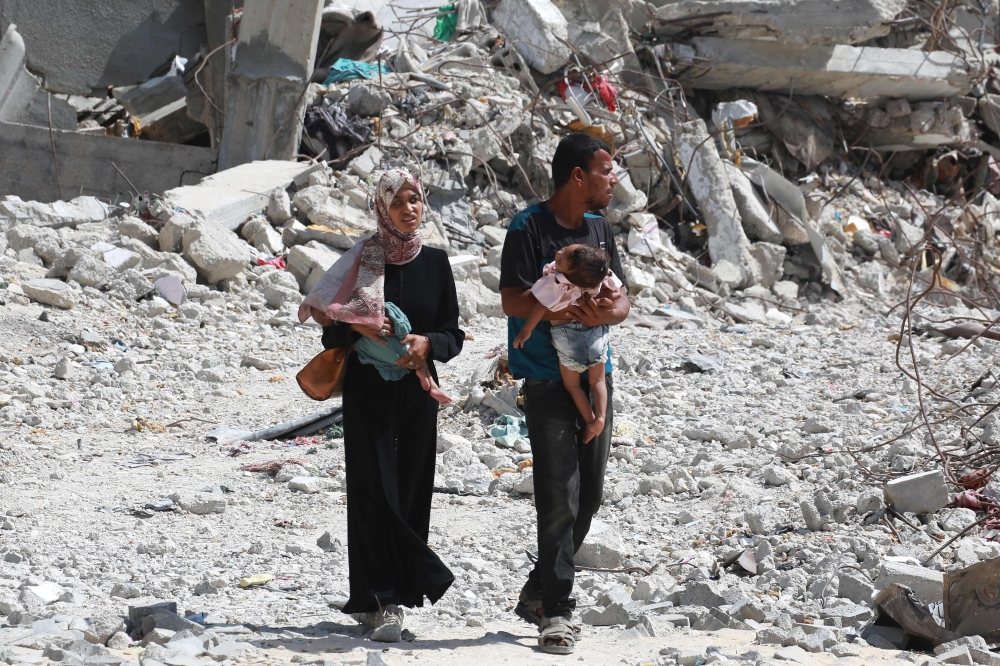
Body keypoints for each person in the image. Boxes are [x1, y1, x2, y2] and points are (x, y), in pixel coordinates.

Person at [298, 169, 464, 642]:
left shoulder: (435, 263)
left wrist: (427, 344)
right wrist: (360, 327)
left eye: (415, 200)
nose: (409, 209)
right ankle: (380, 599)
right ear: (381, 209)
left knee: (411, 487)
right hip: (368, 387)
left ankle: (404, 590)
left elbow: (454, 334)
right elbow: (331, 328)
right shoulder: (361, 261)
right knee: (372, 489)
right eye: (399, 203)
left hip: (416, 389)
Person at [499, 134, 630, 654]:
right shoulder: (528, 227)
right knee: (559, 497)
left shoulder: (601, 229)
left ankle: (538, 591)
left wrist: (603, 313)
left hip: (597, 371)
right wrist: (557, 312)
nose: (613, 178)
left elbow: (623, 300)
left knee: (589, 495)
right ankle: (557, 612)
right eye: (606, 169)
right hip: (547, 377)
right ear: (578, 176)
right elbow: (511, 297)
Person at [512, 243, 623, 443]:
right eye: (565, 251)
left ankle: (590, 420)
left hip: (567, 337)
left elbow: (540, 306)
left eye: (562, 259)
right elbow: (616, 292)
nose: (559, 253)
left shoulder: (556, 282)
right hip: (594, 332)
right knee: (597, 381)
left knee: (572, 386)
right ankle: (600, 417)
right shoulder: (598, 276)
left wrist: (526, 329)